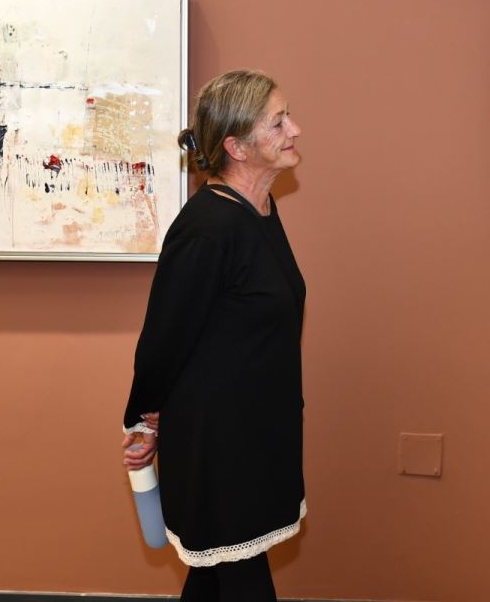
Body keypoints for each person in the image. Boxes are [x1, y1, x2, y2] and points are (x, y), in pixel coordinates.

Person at [122, 70, 306, 601]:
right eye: (278, 122)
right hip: (220, 441)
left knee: (215, 572)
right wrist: (142, 421)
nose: (295, 129)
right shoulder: (207, 229)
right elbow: (164, 337)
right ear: (236, 147)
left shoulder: (261, 210)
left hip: (257, 429)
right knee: (241, 574)